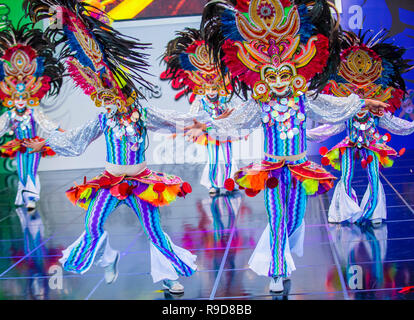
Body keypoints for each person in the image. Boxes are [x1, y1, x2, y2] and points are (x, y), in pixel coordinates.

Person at [184, 0, 391, 293]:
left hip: (299, 169)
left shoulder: (304, 97)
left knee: (294, 219)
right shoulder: (260, 102)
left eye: (284, 75)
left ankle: (279, 256)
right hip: (270, 170)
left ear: (294, 71)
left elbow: (336, 105)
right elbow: (234, 121)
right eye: (272, 76)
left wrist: (365, 102)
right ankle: (276, 271)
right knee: (277, 216)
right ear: (262, 76)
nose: (279, 82)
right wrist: (201, 125)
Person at [23, 0, 197, 294]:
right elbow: (75, 140)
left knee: (155, 232)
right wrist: (46, 141)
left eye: (109, 94)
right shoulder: (103, 118)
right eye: (102, 96)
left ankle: (169, 277)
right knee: (92, 227)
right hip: (110, 182)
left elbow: (171, 119)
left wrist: (196, 122)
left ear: (123, 90)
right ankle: (107, 256)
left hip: (141, 182)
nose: (105, 100)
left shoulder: (142, 112)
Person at [307, 30, 414, 225]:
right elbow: (332, 127)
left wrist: (411, 126)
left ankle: (373, 212)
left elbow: (394, 124)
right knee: (346, 175)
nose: (359, 83)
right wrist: (305, 134)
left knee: (373, 176)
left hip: (372, 144)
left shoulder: (377, 107)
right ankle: (344, 211)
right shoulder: (347, 108)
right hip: (350, 143)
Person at [161, 28, 240, 195]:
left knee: (227, 159)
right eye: (208, 88)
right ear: (203, 88)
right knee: (212, 159)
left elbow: (235, 112)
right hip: (210, 132)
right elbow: (192, 116)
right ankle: (213, 184)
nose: (211, 91)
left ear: (219, 86)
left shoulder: (226, 98)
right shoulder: (200, 100)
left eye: (214, 88)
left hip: (225, 133)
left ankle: (228, 183)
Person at [0, 23, 64, 211]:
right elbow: (2, 126)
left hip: (33, 144)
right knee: (21, 171)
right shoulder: (11, 113)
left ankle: (31, 198)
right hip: (19, 145)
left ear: (28, 95)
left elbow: (46, 122)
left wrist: (61, 131)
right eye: (16, 96)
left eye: (23, 96)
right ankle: (24, 195)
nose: (20, 100)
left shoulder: (33, 110)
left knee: (31, 171)